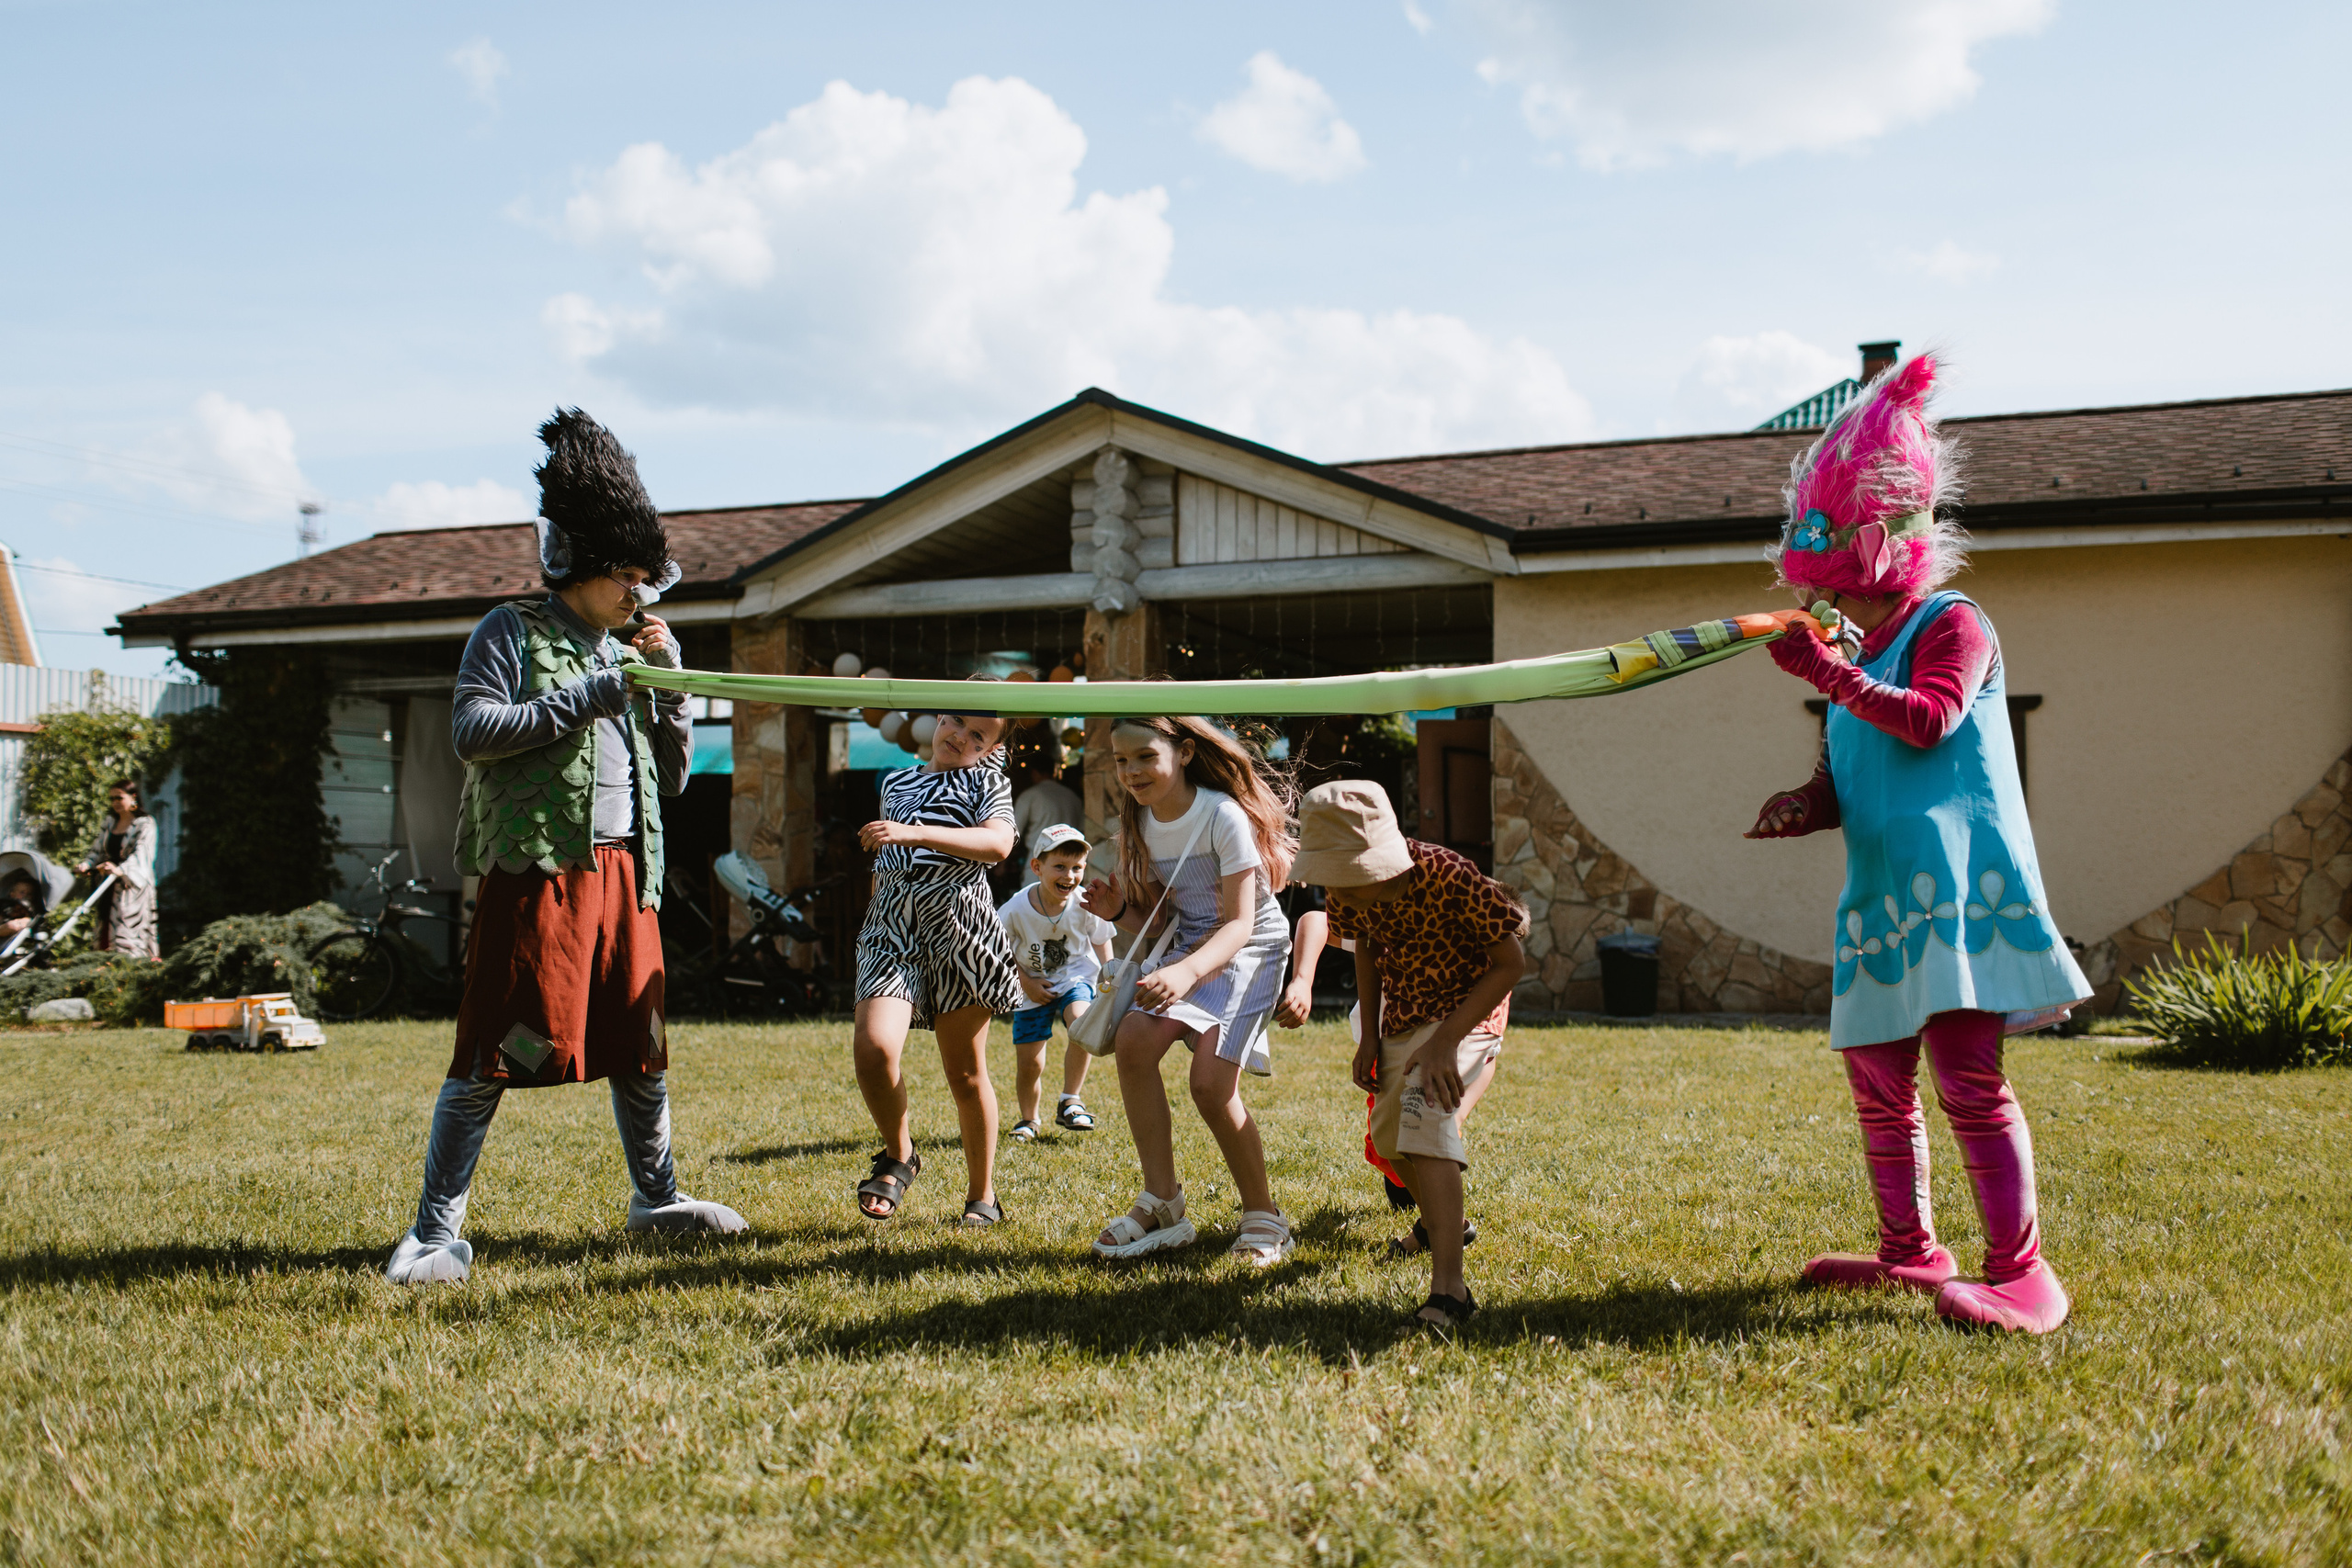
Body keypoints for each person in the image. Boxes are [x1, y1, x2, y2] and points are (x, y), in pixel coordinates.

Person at [1748, 352, 2089, 1336]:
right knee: (1878, 1080)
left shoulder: (1954, 622)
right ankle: (1910, 1254)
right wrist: (1806, 801)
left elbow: (1931, 722)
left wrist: (1828, 671)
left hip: (1957, 895)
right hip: (1886, 895)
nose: (1835, 610)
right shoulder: (1852, 652)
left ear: (1884, 556)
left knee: (1967, 1079)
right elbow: (1853, 759)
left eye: (1844, 590)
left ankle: (2022, 1276)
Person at [384, 409, 746, 1287]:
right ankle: (433, 1232)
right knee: (498, 1044)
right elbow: (473, 730)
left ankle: (655, 1197)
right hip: (536, 867)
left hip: (631, 869)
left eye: (647, 580)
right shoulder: (508, 631)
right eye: (629, 577)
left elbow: (671, 778)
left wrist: (671, 689)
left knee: (640, 1040)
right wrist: (591, 693)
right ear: (582, 565)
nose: (641, 595)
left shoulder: (631, 647)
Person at [1293, 781, 1526, 1327]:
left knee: (1425, 1116)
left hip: (1468, 1012)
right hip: (1404, 1015)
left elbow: (1510, 963)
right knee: (1388, 1142)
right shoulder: (1345, 890)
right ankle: (1444, 1224)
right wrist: (1371, 1037)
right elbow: (1368, 946)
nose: (1338, 896)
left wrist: (1447, 1041)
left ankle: (1451, 1292)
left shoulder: (1451, 876)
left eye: (1347, 880)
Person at [1081, 716, 1296, 1266]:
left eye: (1144, 756)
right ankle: (1163, 1202)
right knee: (1132, 1039)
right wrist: (1120, 911)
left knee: (1210, 1084)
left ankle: (1264, 1216)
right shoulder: (1142, 822)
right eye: (1121, 760)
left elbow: (1241, 925)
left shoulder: (1222, 814)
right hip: (1193, 944)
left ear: (1183, 752)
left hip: (1250, 950)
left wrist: (1183, 974)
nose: (1130, 771)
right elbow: (1160, 920)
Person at [851, 694, 1026, 1226]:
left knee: (965, 1074)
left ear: (993, 749)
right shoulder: (894, 782)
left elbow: (998, 845)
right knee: (875, 1051)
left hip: (959, 929)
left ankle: (983, 1194)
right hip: (892, 927)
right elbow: (888, 857)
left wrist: (917, 832)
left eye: (979, 736)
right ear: (939, 719)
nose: (961, 737)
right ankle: (900, 1155)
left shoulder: (987, 784)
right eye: (956, 722)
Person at [996, 824, 1113, 1139]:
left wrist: (1109, 970)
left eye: (1076, 868)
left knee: (1080, 1022)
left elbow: (1101, 937)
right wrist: (1025, 983)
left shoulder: (1084, 902)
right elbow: (999, 949)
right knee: (1031, 1063)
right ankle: (1028, 1119)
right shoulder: (1016, 909)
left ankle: (1070, 1099)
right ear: (1037, 867)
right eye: (1059, 866)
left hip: (1075, 975)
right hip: (1031, 985)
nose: (1069, 876)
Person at [78, 779, 157, 958]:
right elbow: (97, 851)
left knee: (127, 938)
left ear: (133, 797)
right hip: (107, 887)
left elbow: (142, 855)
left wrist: (120, 870)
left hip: (131, 891)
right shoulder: (109, 824)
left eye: (119, 798)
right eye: (112, 799)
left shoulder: (145, 824)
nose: (115, 803)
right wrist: (86, 865)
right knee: (105, 934)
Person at [1009, 740, 1083, 889]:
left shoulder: (1030, 795)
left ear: (1034, 773)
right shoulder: (1072, 797)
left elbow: (1012, 833)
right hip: (1071, 868)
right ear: (1054, 772)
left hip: (1039, 867)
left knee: (1032, 908)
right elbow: (1083, 830)